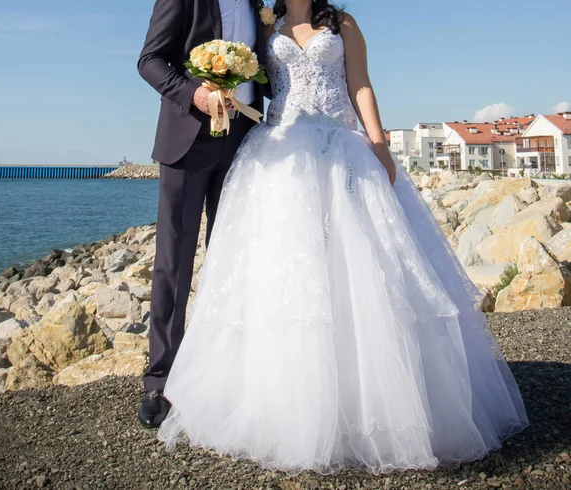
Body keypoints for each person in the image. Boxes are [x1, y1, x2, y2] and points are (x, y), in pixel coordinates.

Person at [157, 0, 529, 475]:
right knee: (287, 274)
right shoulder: (266, 24)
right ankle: (285, 404)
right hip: (280, 153)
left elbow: (361, 84)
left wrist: (378, 142)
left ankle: (369, 406)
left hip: (341, 146)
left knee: (363, 269)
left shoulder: (343, 23)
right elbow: (252, 82)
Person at [136, 0, 267, 429]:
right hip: (188, 141)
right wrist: (194, 93)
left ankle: (224, 370)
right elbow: (149, 60)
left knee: (231, 258)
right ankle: (160, 379)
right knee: (173, 263)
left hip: (245, 140)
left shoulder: (258, 5)